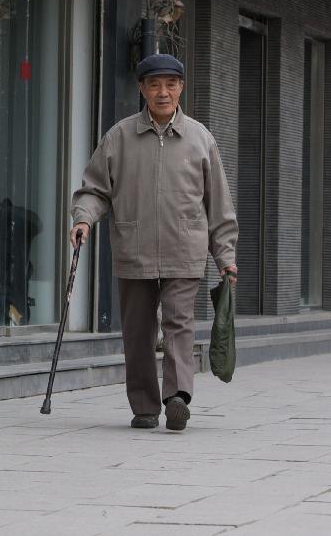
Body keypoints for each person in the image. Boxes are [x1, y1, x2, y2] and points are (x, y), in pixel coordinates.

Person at [70, 54, 238, 432]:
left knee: (180, 323)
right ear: (142, 89)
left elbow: (219, 206)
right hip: (134, 248)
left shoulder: (200, 139)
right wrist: (83, 218)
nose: (163, 92)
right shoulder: (120, 136)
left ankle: (177, 397)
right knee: (138, 330)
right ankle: (144, 405)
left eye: (170, 84)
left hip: (184, 249)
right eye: (154, 85)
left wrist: (225, 256)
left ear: (181, 88)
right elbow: (94, 189)